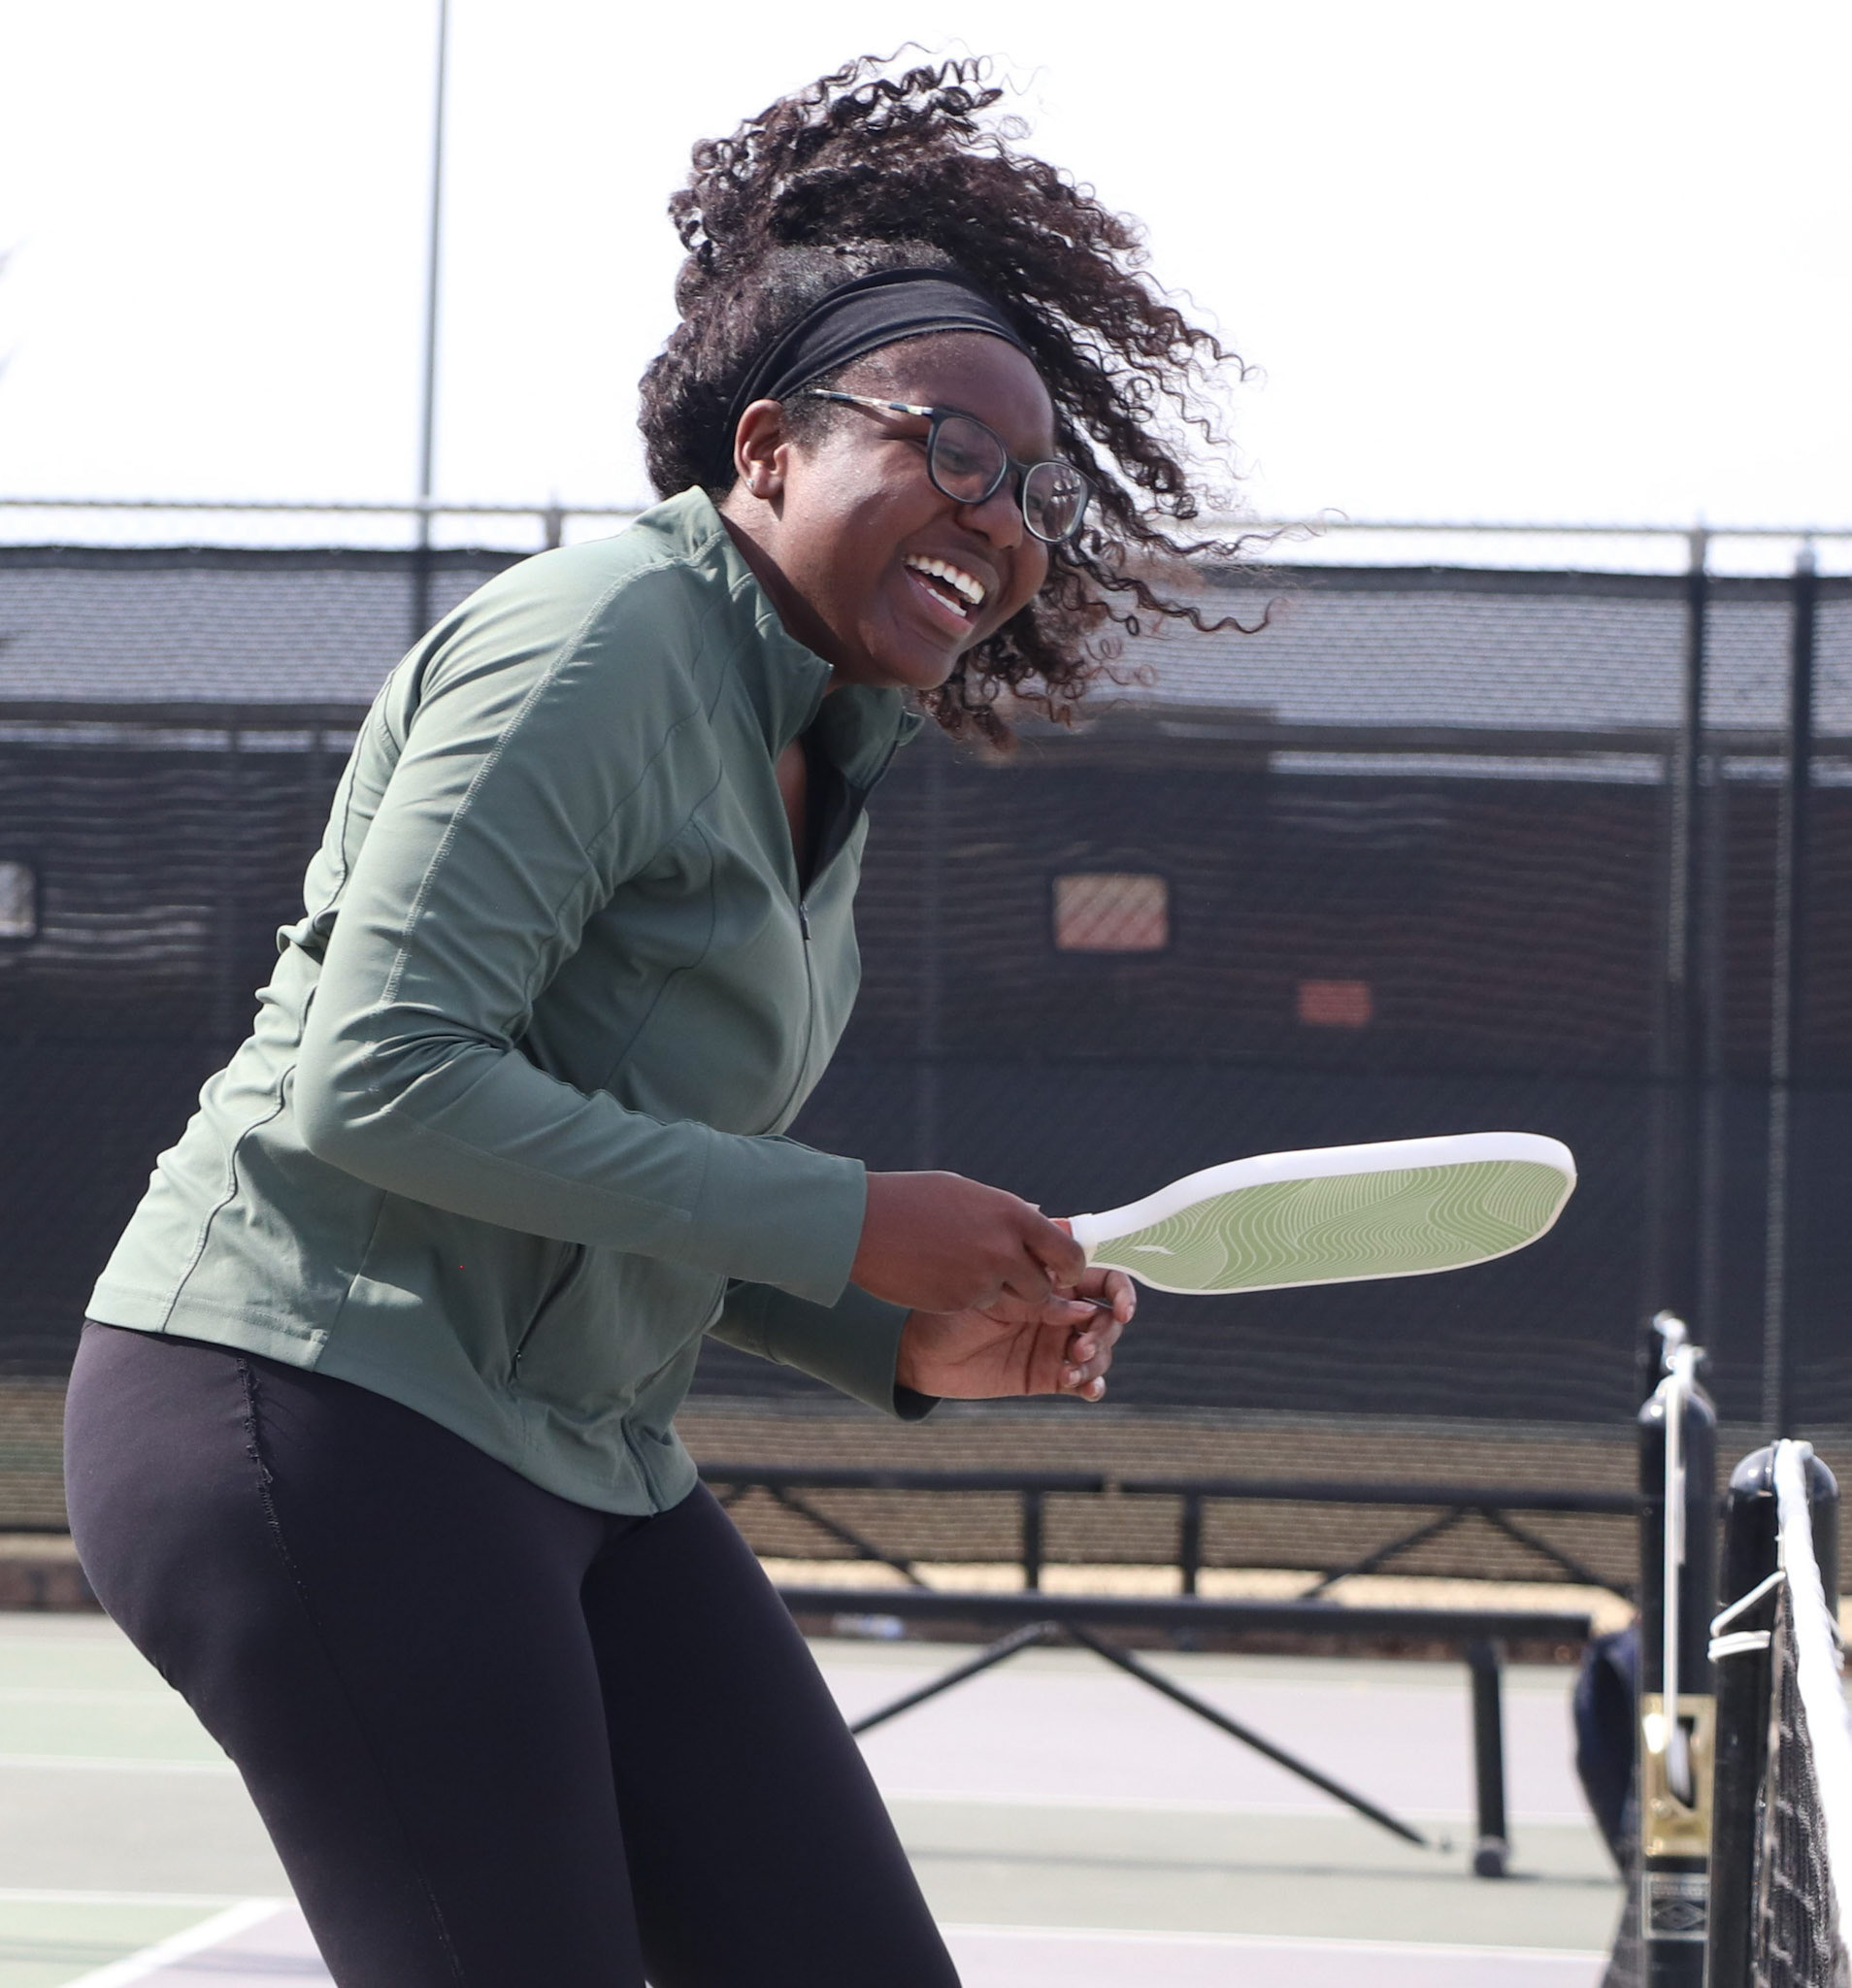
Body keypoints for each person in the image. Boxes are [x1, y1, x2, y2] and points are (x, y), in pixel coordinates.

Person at [63, 55, 1251, 1988]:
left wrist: (907, 1335)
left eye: (1033, 487)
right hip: (312, 1398)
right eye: (952, 445)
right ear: (770, 443)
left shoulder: (820, 742)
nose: (1002, 515)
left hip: (582, 1453)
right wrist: (854, 1214)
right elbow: (381, 1078)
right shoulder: (597, 639)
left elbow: (616, 1166)